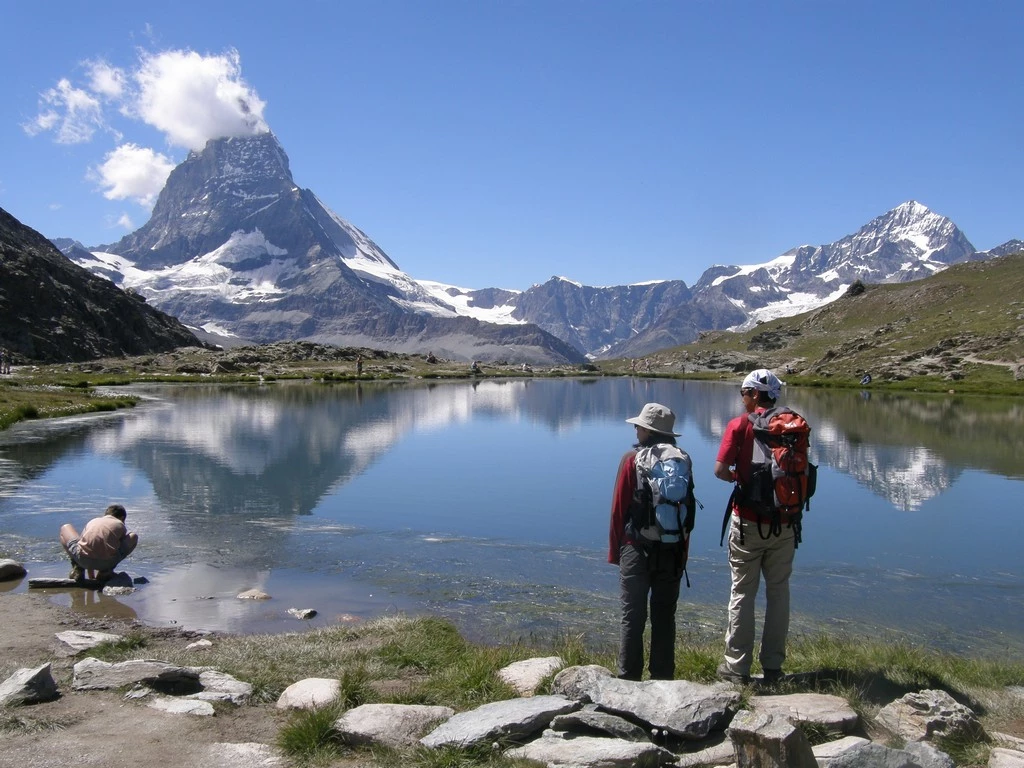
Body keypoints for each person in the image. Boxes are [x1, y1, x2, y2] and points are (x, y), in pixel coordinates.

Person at [713, 369, 793, 684]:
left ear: (755, 394)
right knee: (779, 593)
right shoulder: (793, 426)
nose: (742, 398)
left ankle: (736, 668)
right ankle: (773, 667)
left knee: (743, 592)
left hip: (747, 523)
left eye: (744, 392)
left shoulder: (739, 425)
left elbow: (720, 470)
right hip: (785, 523)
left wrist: (741, 479)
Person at [608, 402, 690, 680]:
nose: (635, 429)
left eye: (639, 426)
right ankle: (663, 679)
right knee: (665, 616)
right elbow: (685, 511)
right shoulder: (683, 460)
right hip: (673, 549)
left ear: (647, 431)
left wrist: (615, 552)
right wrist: (683, 551)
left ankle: (628, 678)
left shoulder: (631, 460)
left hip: (636, 548)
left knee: (632, 616)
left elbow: (619, 510)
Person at [59, 504, 138, 581]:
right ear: (122, 517)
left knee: (65, 527)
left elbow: (88, 546)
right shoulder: (120, 524)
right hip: (107, 563)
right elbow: (118, 548)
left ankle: (78, 568)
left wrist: (91, 577)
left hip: (82, 560)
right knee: (133, 536)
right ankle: (105, 572)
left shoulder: (93, 521)